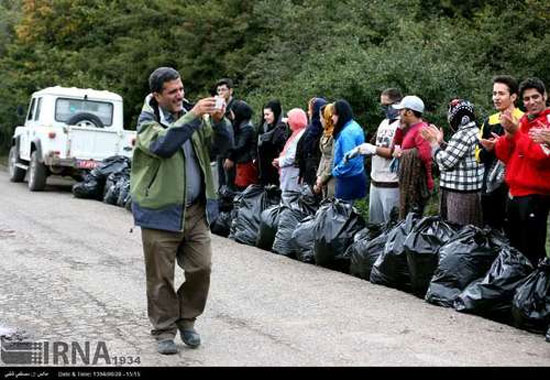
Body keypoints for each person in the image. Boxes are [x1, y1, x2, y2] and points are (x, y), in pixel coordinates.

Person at [130, 67, 232, 355]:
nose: (180, 96)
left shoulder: (193, 117)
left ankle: (187, 319)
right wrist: (194, 115)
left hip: (196, 211)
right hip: (159, 214)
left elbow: (219, 148)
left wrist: (220, 123)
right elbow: (164, 144)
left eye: (182, 89)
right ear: (157, 95)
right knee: (161, 277)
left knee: (202, 267)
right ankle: (164, 330)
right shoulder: (147, 123)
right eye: (173, 92)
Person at [480, 77, 550, 266]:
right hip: (514, 193)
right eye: (527, 99)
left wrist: (516, 133)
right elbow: (505, 156)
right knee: (515, 248)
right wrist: (507, 137)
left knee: (533, 249)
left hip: (535, 196)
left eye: (535, 97)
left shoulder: (547, 122)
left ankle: (536, 291)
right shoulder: (524, 121)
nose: (531, 102)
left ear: (545, 96)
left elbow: (539, 156)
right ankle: (518, 288)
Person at [421, 99, 484, 226]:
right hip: (465, 193)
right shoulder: (473, 130)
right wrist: (441, 143)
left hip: (460, 195)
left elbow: (445, 162)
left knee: (457, 234)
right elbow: (456, 154)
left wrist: (433, 143)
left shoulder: (463, 135)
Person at [476, 75, 523, 231]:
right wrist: (488, 149)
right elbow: (478, 156)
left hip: (514, 186)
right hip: (489, 187)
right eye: (494, 93)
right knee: (491, 231)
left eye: (501, 93)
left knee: (514, 232)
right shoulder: (489, 121)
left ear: (514, 96)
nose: (496, 98)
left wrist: (506, 143)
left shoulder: (523, 120)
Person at [351, 88, 402, 224]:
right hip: (376, 180)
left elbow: (396, 152)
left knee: (391, 224)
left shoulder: (402, 125)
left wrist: (373, 149)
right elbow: (373, 142)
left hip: (392, 182)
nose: (385, 109)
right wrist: (361, 148)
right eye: (382, 105)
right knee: (375, 224)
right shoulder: (383, 122)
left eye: (387, 105)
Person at [392, 95, 434, 218]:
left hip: (417, 186)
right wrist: (399, 129)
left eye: (401, 110)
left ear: (409, 112)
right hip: (410, 183)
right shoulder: (411, 129)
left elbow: (426, 156)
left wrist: (403, 154)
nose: (399, 113)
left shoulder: (421, 130)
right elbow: (397, 145)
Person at [331, 99, 367, 202]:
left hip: (348, 179)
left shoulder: (347, 133)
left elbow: (349, 159)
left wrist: (335, 171)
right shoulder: (353, 125)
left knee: (343, 213)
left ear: (340, 115)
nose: (332, 118)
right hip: (356, 175)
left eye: (334, 115)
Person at [273, 108, 308, 195]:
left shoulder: (300, 135)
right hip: (288, 174)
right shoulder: (296, 133)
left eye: (290, 119)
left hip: (292, 175)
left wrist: (280, 161)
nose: (288, 121)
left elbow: (293, 156)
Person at [224, 100, 257, 190]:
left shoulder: (247, 128)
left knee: (244, 188)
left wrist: (229, 151)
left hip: (245, 162)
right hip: (242, 161)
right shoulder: (242, 125)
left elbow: (240, 146)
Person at [296, 97, 328, 189]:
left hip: (317, 172)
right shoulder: (311, 129)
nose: (308, 112)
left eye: (310, 110)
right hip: (309, 170)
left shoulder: (323, 131)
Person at [256, 99, 288, 186]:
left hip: (277, 171)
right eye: (264, 114)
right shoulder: (263, 128)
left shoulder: (282, 128)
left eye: (267, 114)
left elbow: (280, 144)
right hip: (264, 171)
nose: (265, 117)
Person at [214, 78, 237, 190]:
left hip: (232, 152)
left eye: (223, 90)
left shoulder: (236, 106)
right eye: (218, 90)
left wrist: (231, 156)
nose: (220, 93)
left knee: (231, 182)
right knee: (221, 182)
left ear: (230, 91)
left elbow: (237, 133)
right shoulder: (219, 106)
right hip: (221, 150)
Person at [313, 103, 336, 198]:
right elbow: (324, 155)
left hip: (332, 178)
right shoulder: (325, 133)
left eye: (321, 117)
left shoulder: (335, 135)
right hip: (323, 176)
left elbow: (332, 159)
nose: (320, 120)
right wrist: (319, 177)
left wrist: (323, 178)